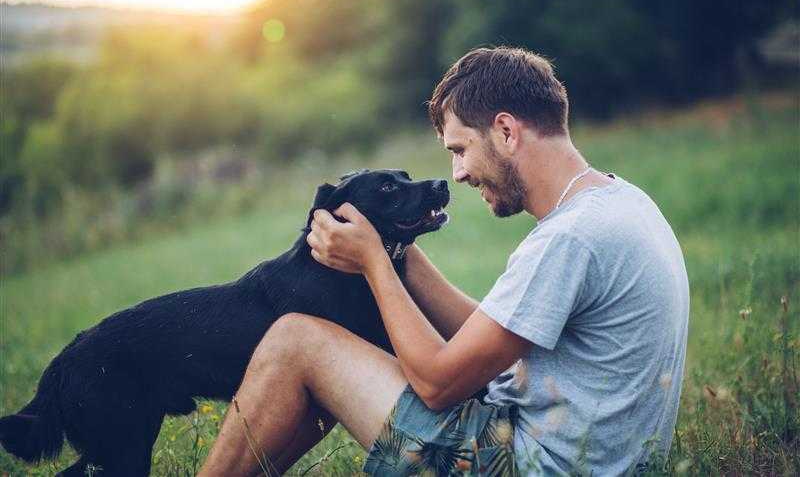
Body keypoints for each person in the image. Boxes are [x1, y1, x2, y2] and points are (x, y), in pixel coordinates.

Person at [198, 47, 690, 476]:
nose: (457, 174)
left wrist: (374, 262)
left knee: (294, 339)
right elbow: (495, 334)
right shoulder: (620, 202)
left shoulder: (567, 242)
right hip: (581, 456)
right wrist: (396, 248)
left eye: (460, 150)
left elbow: (436, 384)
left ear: (504, 131)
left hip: (521, 464)